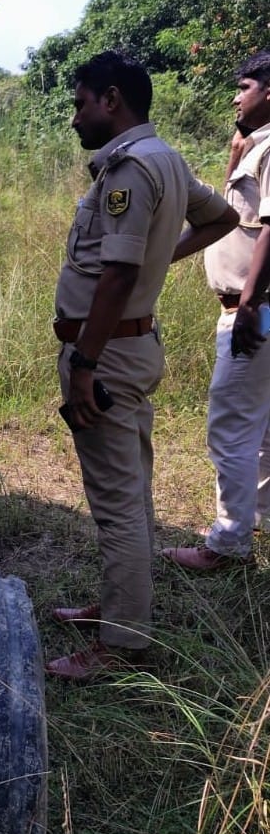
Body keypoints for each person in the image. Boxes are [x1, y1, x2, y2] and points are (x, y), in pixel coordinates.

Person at [47, 51, 237, 682]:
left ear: (111, 99)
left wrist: (84, 363)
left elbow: (118, 275)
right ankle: (119, 609)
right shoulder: (168, 159)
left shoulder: (130, 167)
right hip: (131, 348)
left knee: (117, 503)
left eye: (80, 104)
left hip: (108, 356)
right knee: (132, 487)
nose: (75, 118)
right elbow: (223, 217)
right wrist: (162, 256)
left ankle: (121, 642)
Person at [162, 50, 270, 573]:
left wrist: (248, 304)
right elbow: (231, 216)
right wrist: (235, 152)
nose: (235, 97)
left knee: (230, 428)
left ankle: (227, 544)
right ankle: (259, 519)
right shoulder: (255, 147)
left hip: (255, 309)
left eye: (244, 86)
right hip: (254, 306)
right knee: (261, 427)